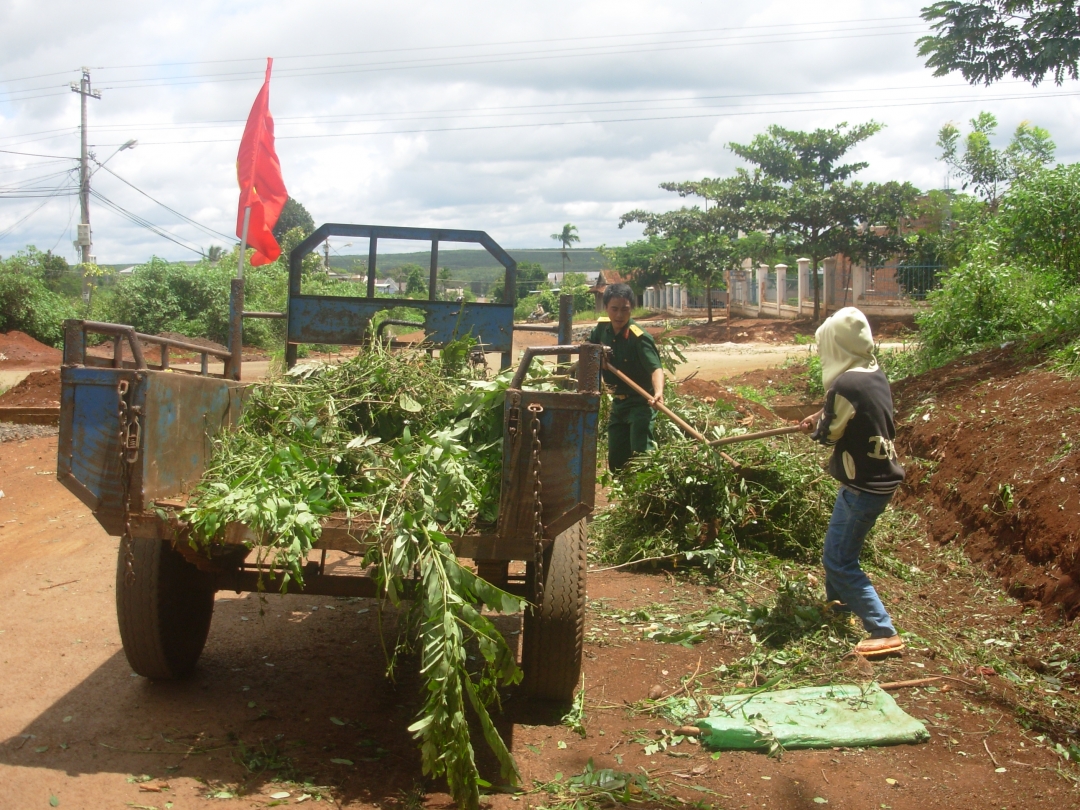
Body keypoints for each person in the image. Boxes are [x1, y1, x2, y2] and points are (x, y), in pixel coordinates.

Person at [799, 307, 905, 658]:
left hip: (863, 485)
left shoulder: (844, 385)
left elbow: (829, 434)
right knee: (837, 545)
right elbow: (852, 409)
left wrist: (818, 425)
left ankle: (883, 630)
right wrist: (821, 412)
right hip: (879, 476)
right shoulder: (870, 371)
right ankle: (840, 606)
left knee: (839, 559)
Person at [588, 284, 665, 471]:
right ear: (606, 308)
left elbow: (656, 369)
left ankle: (645, 495)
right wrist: (598, 358)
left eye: (625, 309)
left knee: (641, 456)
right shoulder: (602, 327)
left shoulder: (639, 337)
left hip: (640, 403)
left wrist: (659, 393)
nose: (619, 315)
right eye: (614, 309)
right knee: (616, 459)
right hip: (618, 404)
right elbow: (588, 351)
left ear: (632, 309)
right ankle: (624, 495)